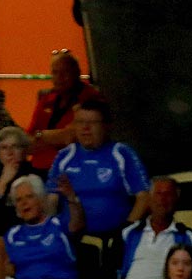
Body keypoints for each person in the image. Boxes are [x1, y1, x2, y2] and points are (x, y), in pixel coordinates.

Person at [49, 98, 150, 238]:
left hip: (114, 237)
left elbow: (144, 197)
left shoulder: (121, 153)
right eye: (80, 122)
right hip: (73, 238)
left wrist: (127, 230)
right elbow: (51, 200)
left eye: (92, 123)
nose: (85, 128)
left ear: (106, 126)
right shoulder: (64, 156)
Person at [113, 176, 192, 279]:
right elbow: (108, 273)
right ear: (149, 198)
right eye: (158, 194)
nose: (163, 199)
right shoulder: (127, 233)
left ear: (176, 199)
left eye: (168, 194)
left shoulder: (190, 237)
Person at [4, 175, 83, 279]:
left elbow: (77, 225)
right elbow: (5, 269)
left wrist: (71, 198)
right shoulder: (12, 235)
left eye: (29, 197)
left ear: (41, 200)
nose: (24, 203)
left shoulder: (58, 224)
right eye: (18, 200)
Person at [0, 126, 41, 235]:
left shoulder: (36, 175)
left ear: (25, 150)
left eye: (15, 146)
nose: (9, 153)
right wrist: (2, 182)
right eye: (4, 148)